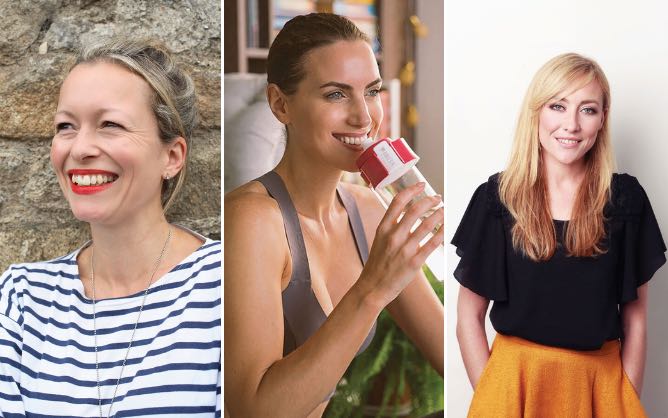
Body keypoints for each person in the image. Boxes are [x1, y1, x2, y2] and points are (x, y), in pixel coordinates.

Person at [224, 13, 444, 418]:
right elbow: (251, 410)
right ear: (280, 104)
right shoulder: (252, 220)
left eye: (372, 91)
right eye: (335, 95)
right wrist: (372, 289)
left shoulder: (368, 210)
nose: (364, 117)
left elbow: (453, 356)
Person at [0, 39, 221, 417]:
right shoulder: (21, 300)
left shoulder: (221, 285)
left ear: (171, 156)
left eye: (111, 124)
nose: (80, 147)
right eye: (66, 126)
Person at [453, 53, 666, 417]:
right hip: (513, 383)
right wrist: (492, 393)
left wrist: (626, 397)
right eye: (558, 106)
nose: (571, 124)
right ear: (536, 113)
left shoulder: (626, 200)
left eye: (588, 110)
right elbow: (467, 317)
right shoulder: (498, 199)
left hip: (599, 384)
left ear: (602, 120)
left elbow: (636, 319)